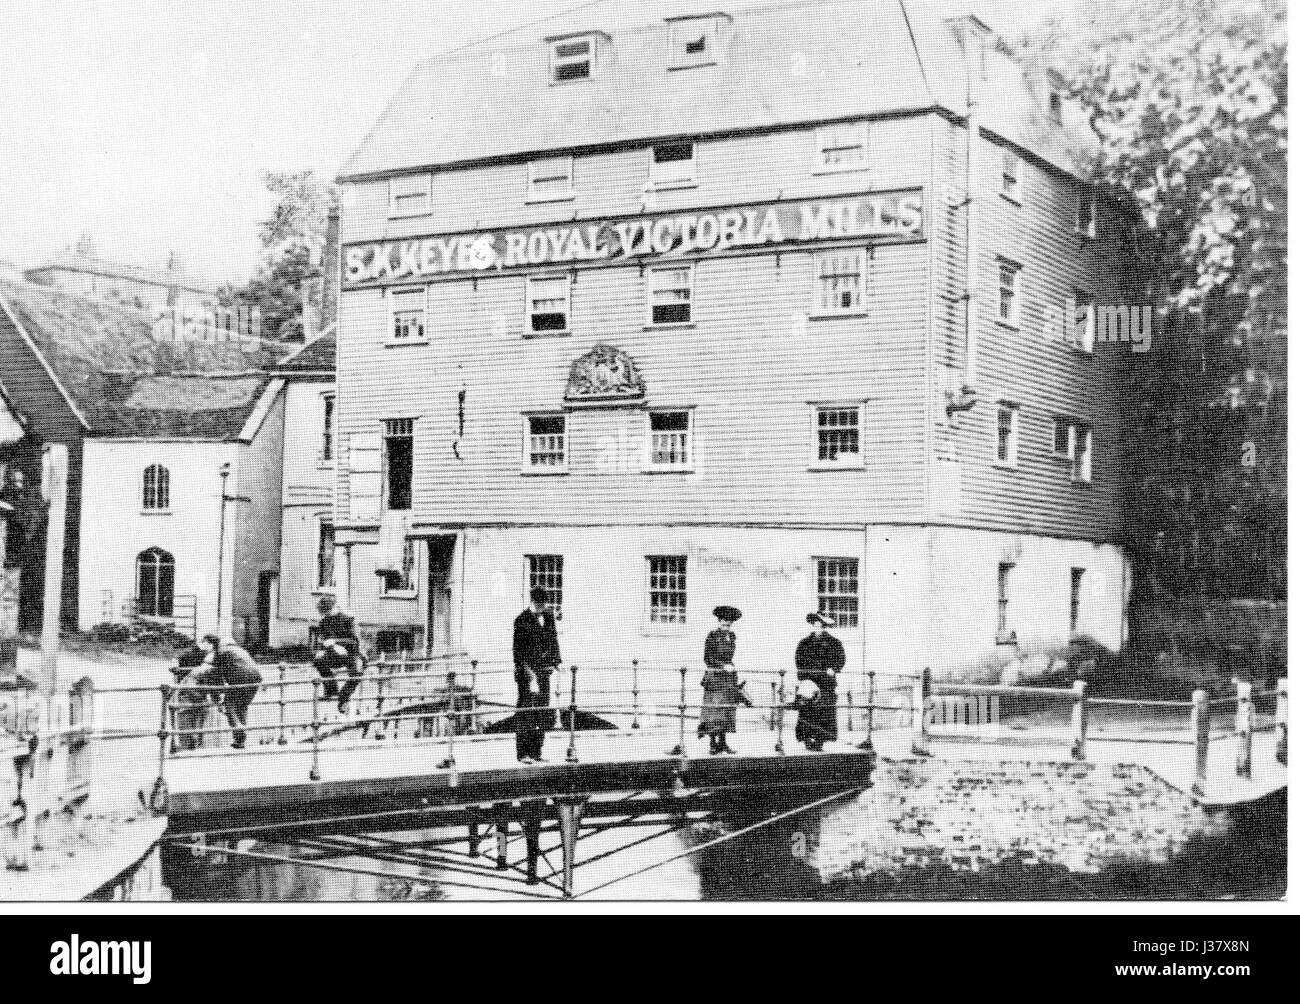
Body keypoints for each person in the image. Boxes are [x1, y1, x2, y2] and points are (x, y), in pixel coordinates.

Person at [512, 587, 561, 764]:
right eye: (540, 605)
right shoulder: (521, 620)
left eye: (544, 605)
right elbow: (518, 651)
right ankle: (523, 753)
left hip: (544, 673)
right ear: (534, 602)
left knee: (542, 712)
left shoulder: (548, 617)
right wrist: (528, 673)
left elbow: (553, 640)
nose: (543, 608)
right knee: (526, 713)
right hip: (528, 675)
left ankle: (536, 751)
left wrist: (556, 662)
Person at [198, 634, 263, 750]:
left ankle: (239, 731)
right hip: (256, 677)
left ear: (210, 643)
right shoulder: (234, 647)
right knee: (242, 706)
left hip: (240, 678)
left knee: (229, 706)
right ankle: (240, 740)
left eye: (204, 643)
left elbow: (214, 677)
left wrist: (216, 698)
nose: (203, 647)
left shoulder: (218, 652)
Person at [794, 612, 846, 752]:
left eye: (822, 625)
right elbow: (799, 661)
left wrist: (833, 669)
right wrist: (805, 677)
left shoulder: (834, 643)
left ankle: (820, 739)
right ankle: (807, 738)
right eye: (816, 624)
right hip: (810, 682)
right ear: (813, 625)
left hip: (826, 683)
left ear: (825, 626)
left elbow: (841, 659)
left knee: (824, 711)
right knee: (808, 711)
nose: (818, 627)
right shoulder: (804, 643)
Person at [701, 605, 748, 756]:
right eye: (723, 624)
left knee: (727, 710)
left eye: (728, 625)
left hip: (728, 678)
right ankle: (713, 744)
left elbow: (729, 657)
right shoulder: (712, 636)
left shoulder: (732, 636)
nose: (726, 627)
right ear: (719, 622)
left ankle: (723, 742)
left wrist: (730, 667)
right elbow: (707, 658)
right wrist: (722, 666)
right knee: (715, 711)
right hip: (715, 678)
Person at [313, 596, 365, 713]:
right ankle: (332, 689)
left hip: (352, 653)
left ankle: (343, 697)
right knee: (318, 661)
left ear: (334, 608)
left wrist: (337, 642)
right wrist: (323, 648)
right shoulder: (324, 622)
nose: (326, 615)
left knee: (357, 672)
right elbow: (323, 640)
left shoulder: (347, 620)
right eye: (324, 613)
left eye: (328, 611)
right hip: (335, 654)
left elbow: (354, 642)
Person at [169, 644, 212, 752]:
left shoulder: (184, 654)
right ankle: (196, 743)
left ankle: (185, 744)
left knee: (184, 715)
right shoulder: (208, 656)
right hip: (199, 690)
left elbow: (173, 668)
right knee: (199, 715)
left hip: (184, 690)